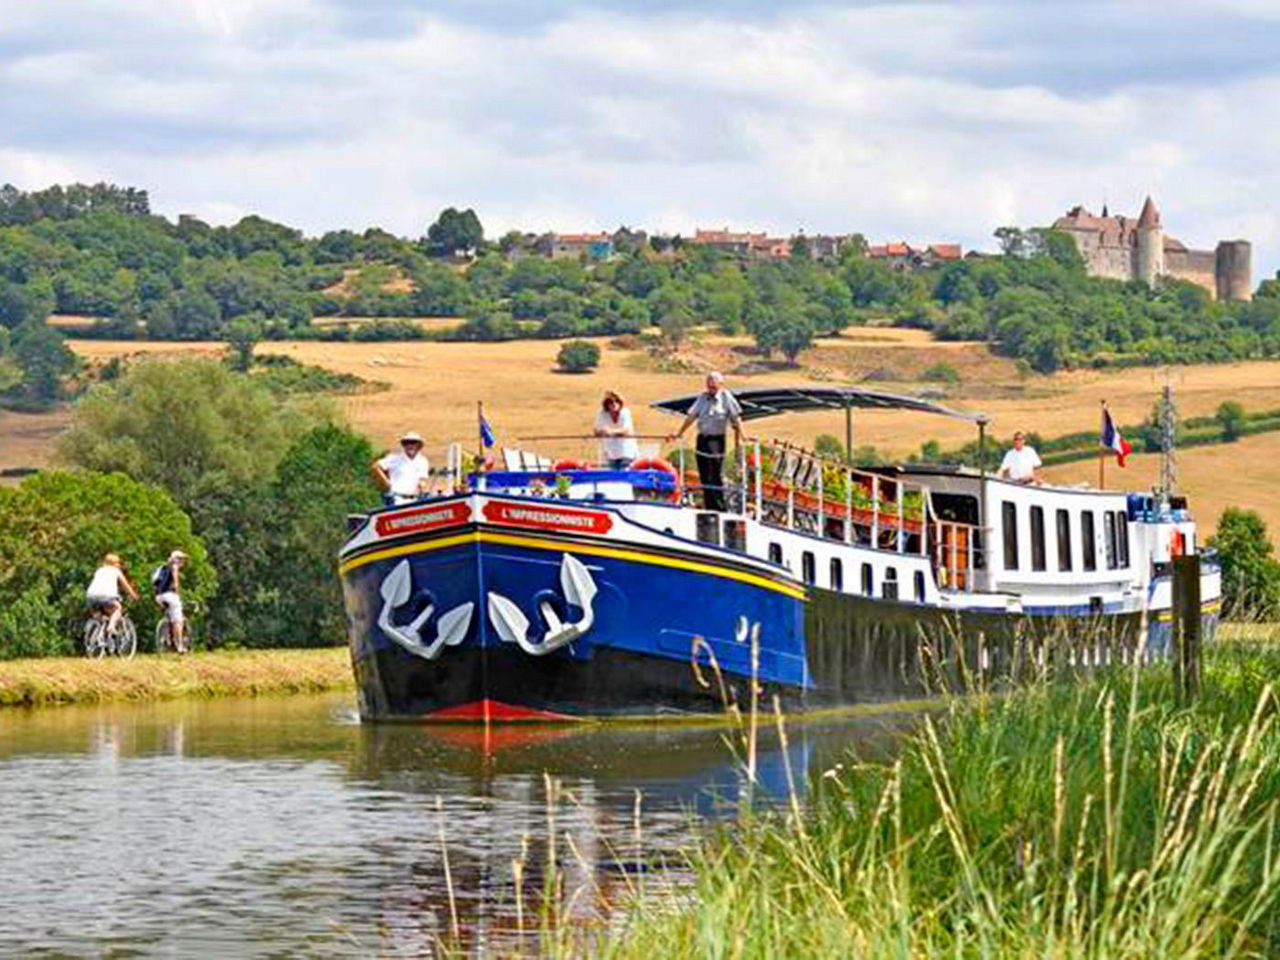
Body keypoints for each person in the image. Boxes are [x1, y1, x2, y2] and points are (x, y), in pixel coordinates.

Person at [667, 371, 744, 511]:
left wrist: (742, 436)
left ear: (721, 385)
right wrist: (679, 433)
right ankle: (709, 505)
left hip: (717, 440)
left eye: (714, 386)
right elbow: (691, 416)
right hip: (702, 439)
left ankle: (719, 507)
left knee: (715, 473)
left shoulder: (726, 397)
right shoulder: (703, 398)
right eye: (709, 385)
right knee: (704, 474)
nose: (711, 389)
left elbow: (736, 418)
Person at [85, 553, 139, 639]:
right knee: (118, 608)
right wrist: (133, 595)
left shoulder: (99, 570)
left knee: (101, 615)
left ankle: (98, 634)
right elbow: (125, 586)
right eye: (118, 563)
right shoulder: (116, 571)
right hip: (106, 595)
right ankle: (111, 627)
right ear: (114, 563)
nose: (119, 565)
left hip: (91, 596)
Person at [372, 431, 432, 505]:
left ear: (418, 446)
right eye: (407, 443)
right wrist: (386, 483)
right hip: (397, 499)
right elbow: (376, 466)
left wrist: (422, 487)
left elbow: (422, 479)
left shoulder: (423, 461)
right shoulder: (395, 458)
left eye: (413, 443)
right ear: (404, 445)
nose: (410, 446)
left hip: (414, 500)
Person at [152, 550, 189, 653]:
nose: (183, 562)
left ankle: (168, 633)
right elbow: (175, 580)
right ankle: (179, 645)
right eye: (182, 559)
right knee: (178, 620)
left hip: (159, 596)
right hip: (170, 595)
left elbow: (154, 583)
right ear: (177, 559)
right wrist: (177, 592)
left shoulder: (161, 568)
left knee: (170, 616)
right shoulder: (174, 565)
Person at [594, 391, 639, 469]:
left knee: (624, 472)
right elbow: (596, 431)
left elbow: (626, 430)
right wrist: (603, 432)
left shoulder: (625, 412)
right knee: (613, 476)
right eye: (611, 402)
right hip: (611, 452)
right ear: (607, 404)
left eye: (617, 401)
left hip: (627, 451)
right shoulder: (602, 413)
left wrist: (611, 432)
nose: (614, 404)